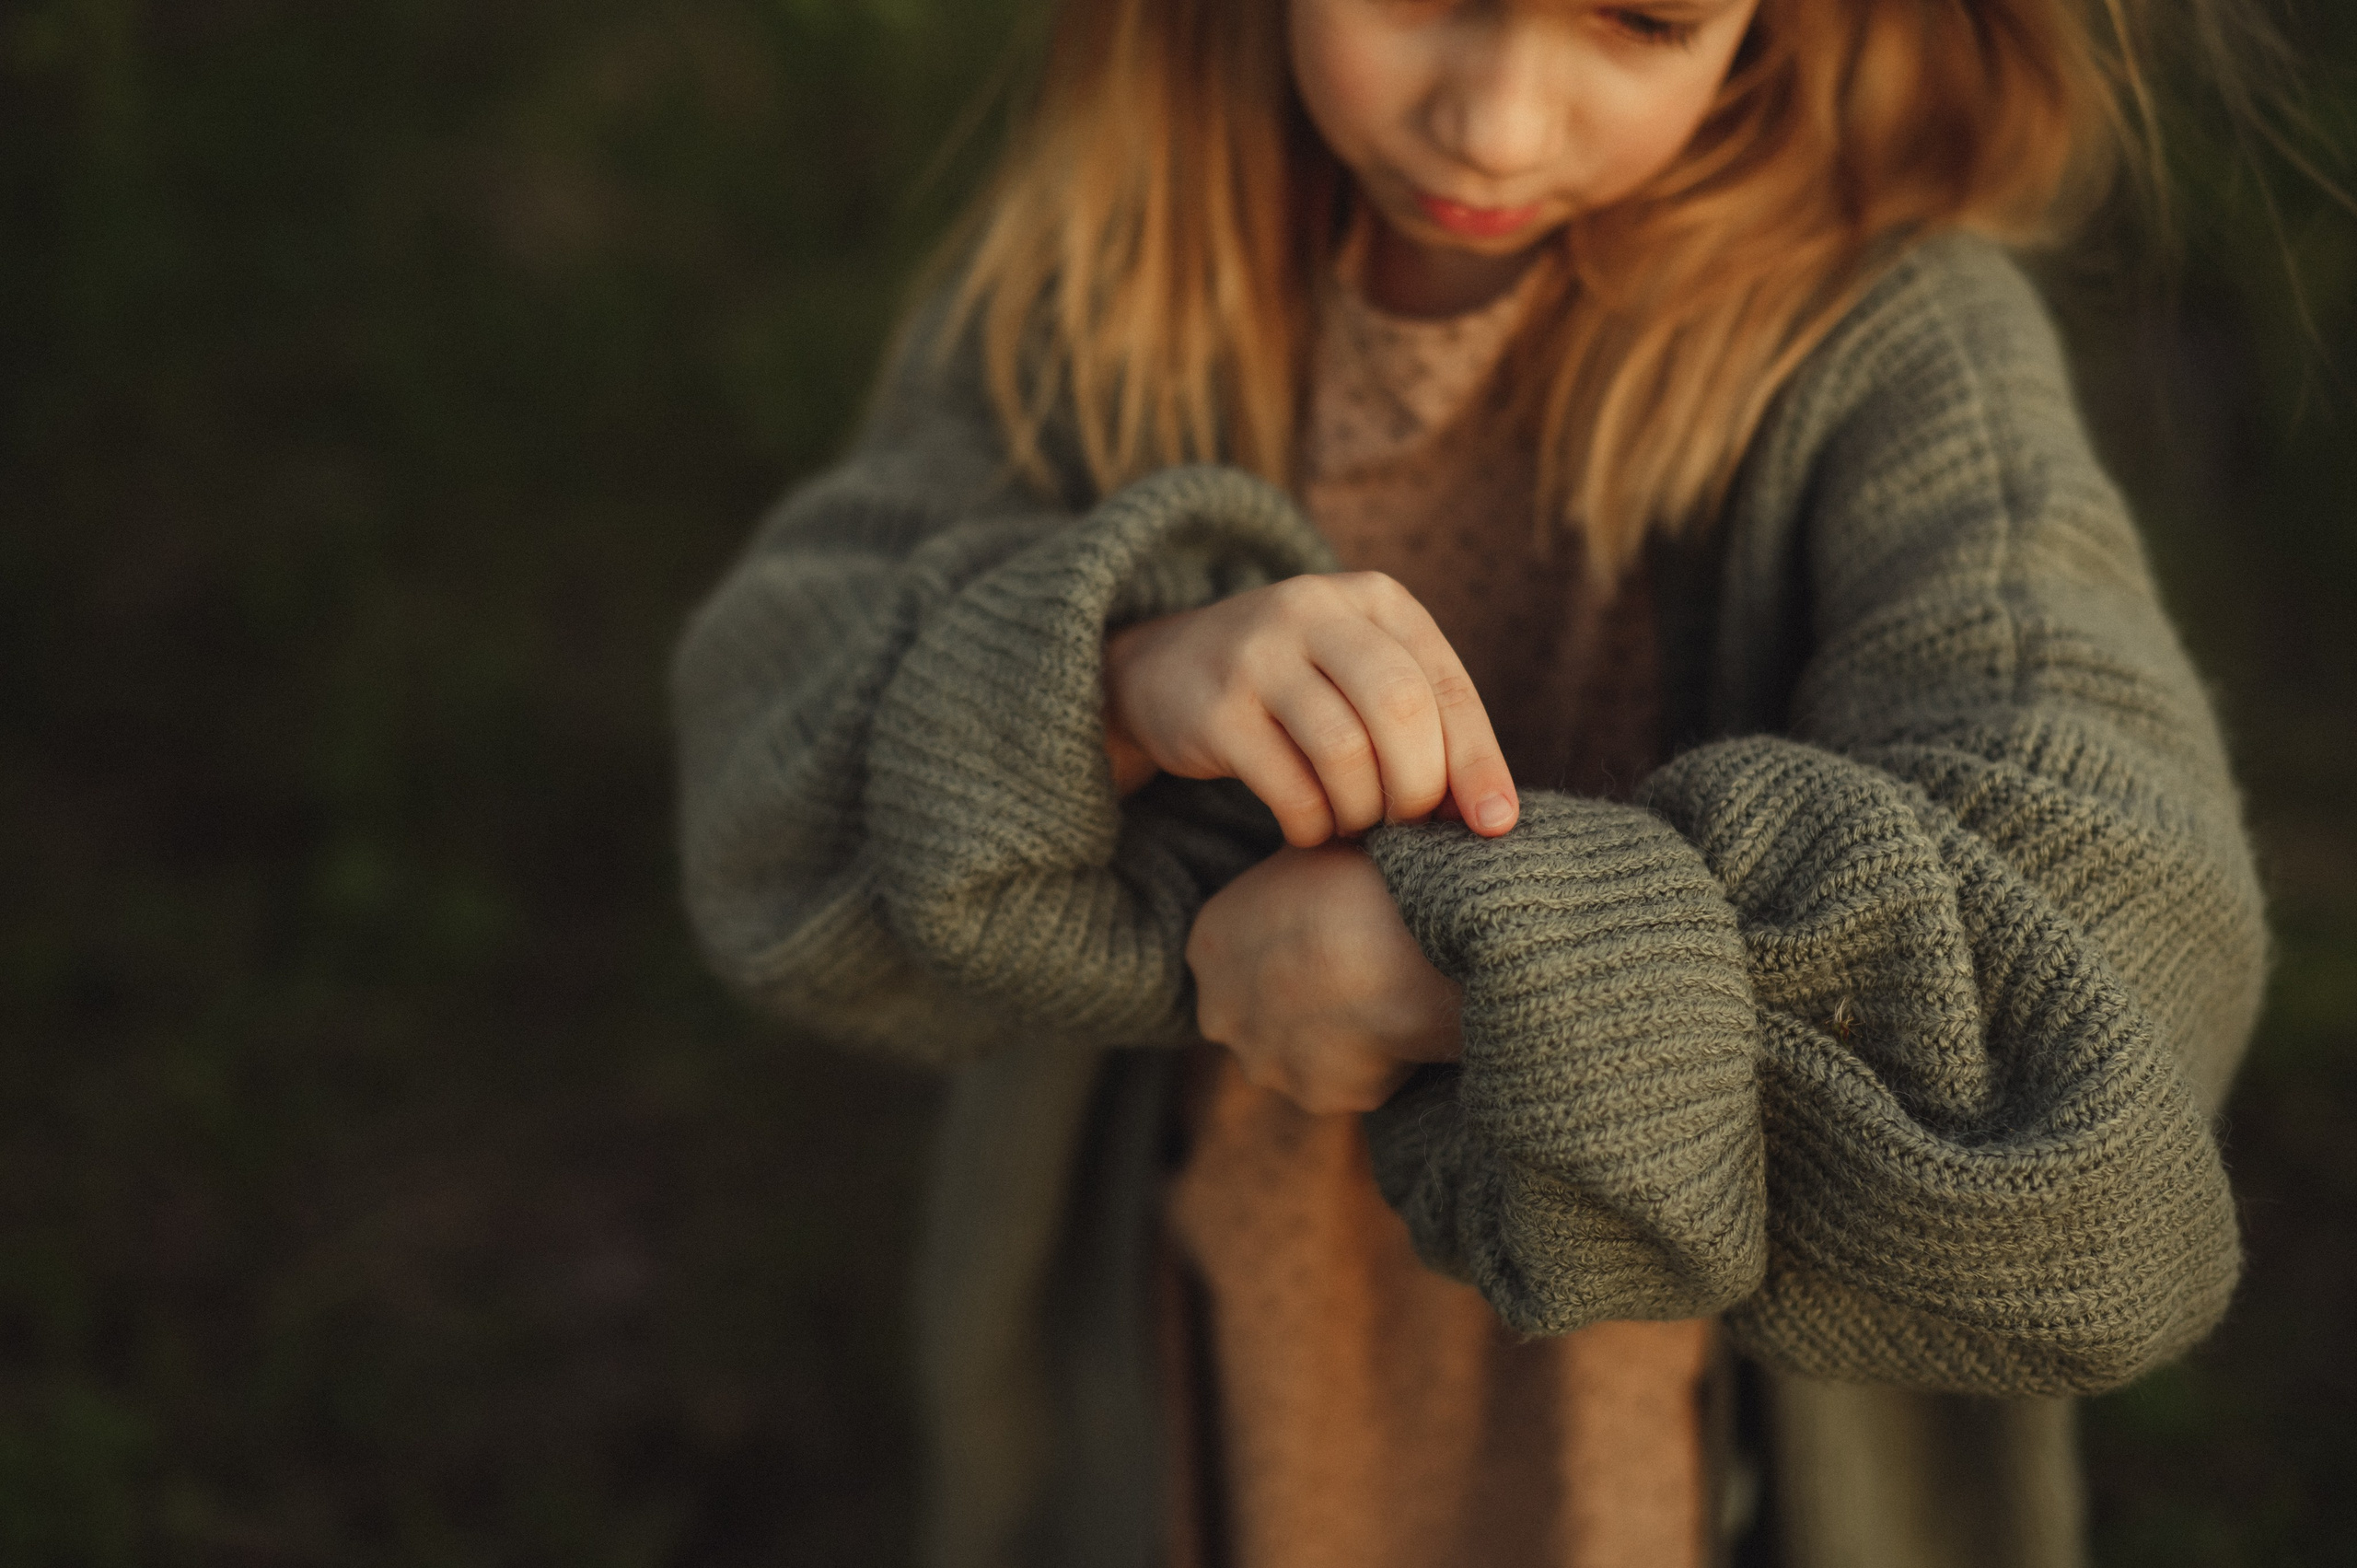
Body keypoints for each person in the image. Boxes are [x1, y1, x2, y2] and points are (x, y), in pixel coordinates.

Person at [671, 0, 2274, 1563]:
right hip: (1196, 1382)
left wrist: (1496, 983)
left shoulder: (1897, 348)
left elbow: (2115, 1024)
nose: (1496, 120)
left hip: (1668, 1439)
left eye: (1642, 23)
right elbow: (769, 802)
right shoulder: (1096, 278)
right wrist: (1110, 680)